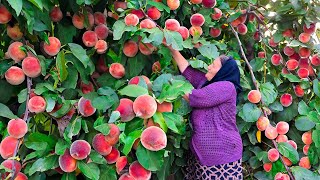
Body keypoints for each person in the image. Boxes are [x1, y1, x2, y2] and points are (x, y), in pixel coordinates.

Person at [168, 47, 243, 179]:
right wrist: (172, 49)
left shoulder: (227, 87)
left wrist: (170, 86)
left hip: (222, 157)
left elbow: (196, 97)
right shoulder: (207, 84)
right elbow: (188, 71)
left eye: (213, 65)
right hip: (204, 157)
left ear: (223, 71)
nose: (209, 67)